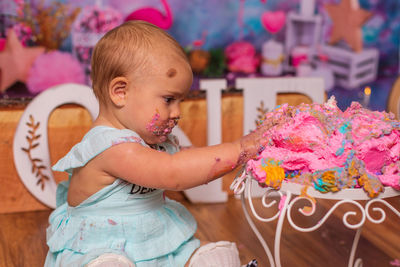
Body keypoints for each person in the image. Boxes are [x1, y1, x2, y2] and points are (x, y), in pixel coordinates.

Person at [45, 20, 280, 267]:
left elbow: (184, 159)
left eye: (180, 101)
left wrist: (210, 159)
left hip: (150, 238)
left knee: (197, 255)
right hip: (101, 246)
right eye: (169, 99)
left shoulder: (148, 140)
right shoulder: (112, 146)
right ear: (120, 92)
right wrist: (239, 149)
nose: (177, 112)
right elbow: (173, 171)